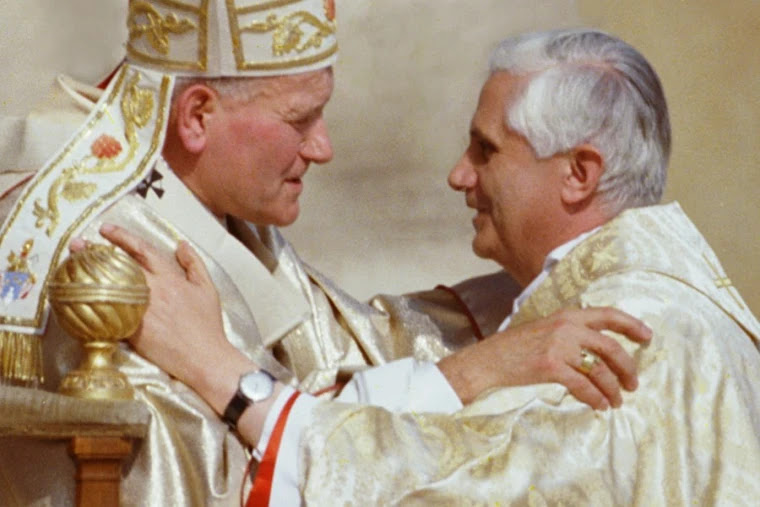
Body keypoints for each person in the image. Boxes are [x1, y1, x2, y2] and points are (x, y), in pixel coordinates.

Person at [0, 3, 647, 505]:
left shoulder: (201, 202)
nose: (323, 147)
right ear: (196, 115)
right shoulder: (107, 262)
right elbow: (215, 478)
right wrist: (476, 371)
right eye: (300, 118)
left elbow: (338, 351)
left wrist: (547, 281)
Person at [103, 28, 760, 504]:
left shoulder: (632, 337)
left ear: (578, 174)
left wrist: (218, 369)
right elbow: (382, 348)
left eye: (486, 149)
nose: (458, 174)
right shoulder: (625, 298)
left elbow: (436, 487)